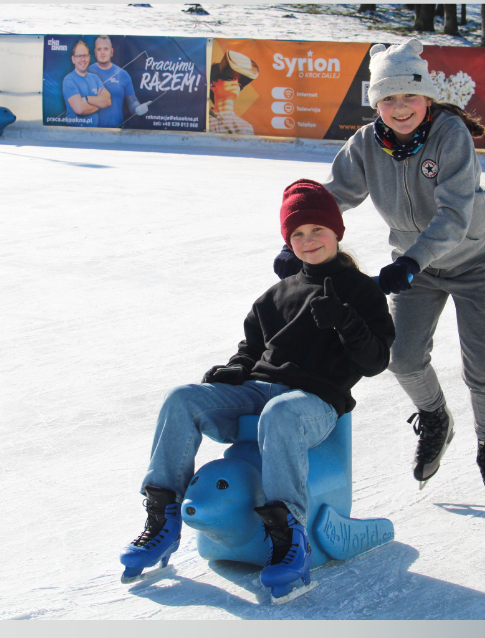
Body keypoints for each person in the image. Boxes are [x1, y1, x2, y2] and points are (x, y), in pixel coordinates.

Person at [118, 180, 391, 603]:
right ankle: (163, 514)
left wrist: (346, 321)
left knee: (280, 411)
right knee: (182, 398)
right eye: (297, 234)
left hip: (314, 403)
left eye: (316, 229)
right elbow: (252, 349)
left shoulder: (361, 290)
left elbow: (375, 362)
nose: (308, 241)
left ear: (336, 231)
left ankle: (287, 536)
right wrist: (235, 369)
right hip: (259, 390)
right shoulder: (276, 294)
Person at [285, 40, 485, 505]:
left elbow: (454, 216)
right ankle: (434, 417)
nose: (400, 108)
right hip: (417, 269)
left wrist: (409, 261)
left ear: (426, 96)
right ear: (376, 104)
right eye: (388, 99)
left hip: (477, 262)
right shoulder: (366, 145)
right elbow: (332, 197)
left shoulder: (450, 135)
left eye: (409, 96)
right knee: (401, 357)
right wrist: (297, 241)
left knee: (482, 365)